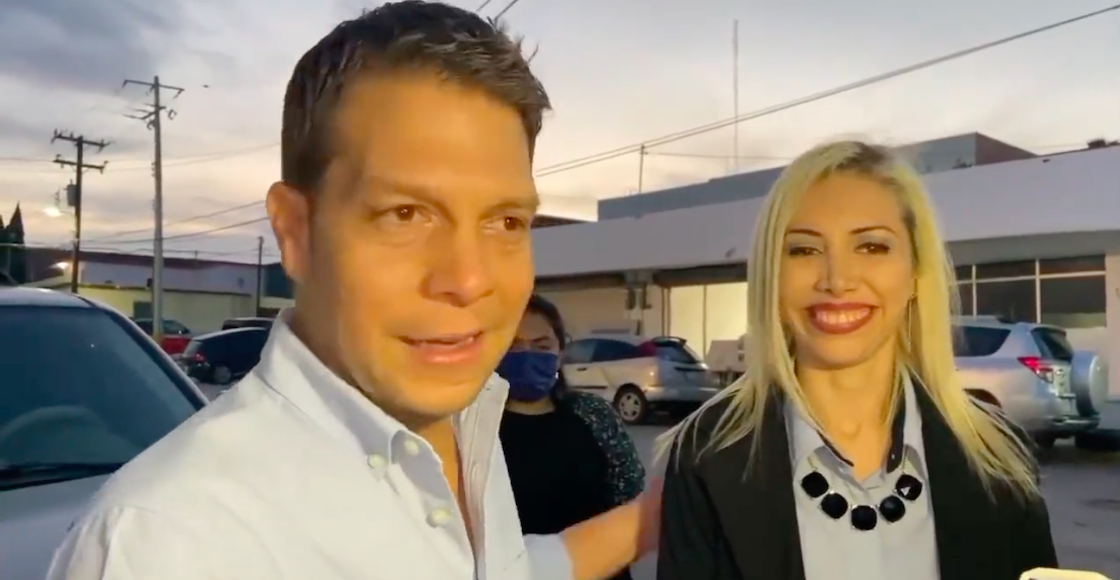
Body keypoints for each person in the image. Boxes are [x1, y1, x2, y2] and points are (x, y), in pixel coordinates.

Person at [47, 3, 656, 579]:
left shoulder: (460, 425)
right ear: (295, 232)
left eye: (506, 221)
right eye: (405, 214)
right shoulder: (169, 543)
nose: (469, 279)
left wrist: (658, 512)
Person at [655, 140, 1057, 580]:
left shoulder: (999, 453)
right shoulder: (707, 453)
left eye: (871, 246)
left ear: (916, 272)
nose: (837, 280)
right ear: (773, 275)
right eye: (804, 250)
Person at [498, 295, 647, 580]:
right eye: (513, 345)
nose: (527, 354)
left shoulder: (593, 414)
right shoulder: (471, 425)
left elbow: (629, 494)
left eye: (542, 346)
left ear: (560, 353)